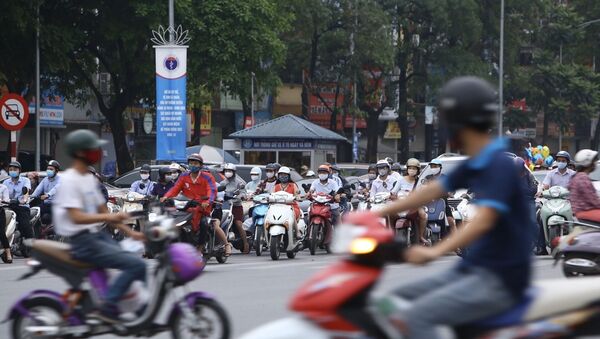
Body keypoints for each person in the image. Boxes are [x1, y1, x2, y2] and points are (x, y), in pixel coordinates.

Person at [370, 76, 532, 339]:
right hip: (472, 270)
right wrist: (375, 212)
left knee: (417, 316)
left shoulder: (498, 165)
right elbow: (432, 190)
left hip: (499, 279)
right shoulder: (477, 161)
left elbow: (484, 220)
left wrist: (435, 252)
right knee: (392, 301)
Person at [53, 129, 145, 323]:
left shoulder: (89, 180)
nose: (97, 153)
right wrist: (107, 216)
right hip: (82, 241)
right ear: (80, 152)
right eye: (92, 149)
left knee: (135, 259)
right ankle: (107, 307)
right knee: (135, 265)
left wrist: (131, 232)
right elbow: (76, 217)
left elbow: (107, 213)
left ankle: (138, 313)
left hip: (97, 237)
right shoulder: (70, 180)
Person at [163, 154, 217, 252]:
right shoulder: (184, 176)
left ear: (200, 165)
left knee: (204, 223)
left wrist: (208, 201)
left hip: (202, 206)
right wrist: (166, 197)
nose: (193, 165)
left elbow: (212, 190)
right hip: (186, 206)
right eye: (191, 163)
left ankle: (200, 246)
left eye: (195, 163)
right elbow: (175, 189)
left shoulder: (207, 176)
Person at [393, 158, 428, 245]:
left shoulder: (420, 181)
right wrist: (392, 197)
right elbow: (393, 192)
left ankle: (421, 236)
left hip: (415, 205)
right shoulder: (401, 180)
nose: (412, 170)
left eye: (414, 168)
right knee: (389, 214)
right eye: (410, 168)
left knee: (423, 215)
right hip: (401, 204)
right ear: (407, 169)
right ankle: (391, 234)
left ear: (418, 170)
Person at [3, 161, 34, 251]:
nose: (12, 171)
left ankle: (31, 246)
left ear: (19, 171)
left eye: (15, 169)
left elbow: (26, 192)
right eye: (11, 169)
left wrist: (24, 199)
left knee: (25, 225)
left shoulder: (25, 180)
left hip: (22, 207)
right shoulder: (5, 182)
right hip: (9, 206)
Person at [218, 163, 249, 253]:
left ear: (234, 172)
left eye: (230, 171)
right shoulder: (222, 183)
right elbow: (219, 193)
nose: (228, 173)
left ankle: (246, 243)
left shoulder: (240, 183)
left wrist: (241, 196)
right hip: (225, 206)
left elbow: (243, 193)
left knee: (238, 224)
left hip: (236, 206)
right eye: (226, 171)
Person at [515, 157, 540, 252]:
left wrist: (521, 191)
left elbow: (534, 189)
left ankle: (540, 245)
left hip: (529, 201)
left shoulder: (529, 175)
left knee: (533, 222)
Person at [568, 149, 600, 223]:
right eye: (593, 161)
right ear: (588, 163)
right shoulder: (583, 178)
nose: (594, 164)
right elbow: (593, 200)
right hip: (586, 211)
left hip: (580, 212)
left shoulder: (577, 176)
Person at [429, 158, 457, 237]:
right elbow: (422, 188)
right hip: (430, 203)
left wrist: (449, 193)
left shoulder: (445, 178)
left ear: (440, 167)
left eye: (435, 166)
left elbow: (452, 189)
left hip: (443, 202)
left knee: (451, 221)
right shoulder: (428, 178)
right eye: (432, 166)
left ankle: (457, 243)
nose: (433, 168)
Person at [31, 160, 61, 228]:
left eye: (51, 169)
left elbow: (56, 188)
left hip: (56, 206)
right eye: (48, 169)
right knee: (33, 211)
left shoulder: (60, 179)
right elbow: (37, 190)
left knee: (46, 217)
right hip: (45, 204)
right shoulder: (45, 180)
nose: (48, 170)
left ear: (56, 171)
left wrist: (48, 195)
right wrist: (30, 197)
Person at [309, 164, 341, 229]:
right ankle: (308, 231)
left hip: (331, 205)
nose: (322, 174)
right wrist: (308, 194)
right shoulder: (315, 182)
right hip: (317, 205)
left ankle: (339, 234)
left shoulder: (333, 183)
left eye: (324, 172)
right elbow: (311, 190)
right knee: (308, 214)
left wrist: (337, 197)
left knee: (337, 220)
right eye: (320, 172)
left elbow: (337, 192)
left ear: (328, 174)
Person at [273, 166, 302, 232]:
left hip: (291, 206)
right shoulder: (276, 186)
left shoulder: (293, 185)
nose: (283, 176)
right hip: (277, 207)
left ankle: (297, 232)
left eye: (285, 174)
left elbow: (297, 195)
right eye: (281, 174)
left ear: (288, 176)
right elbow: (272, 195)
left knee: (292, 213)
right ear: (278, 176)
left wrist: (297, 197)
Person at [0, 183, 12, 263]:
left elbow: (7, 200)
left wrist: (2, 201)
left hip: (0, 211)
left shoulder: (3, 187)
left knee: (1, 233)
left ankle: (8, 253)